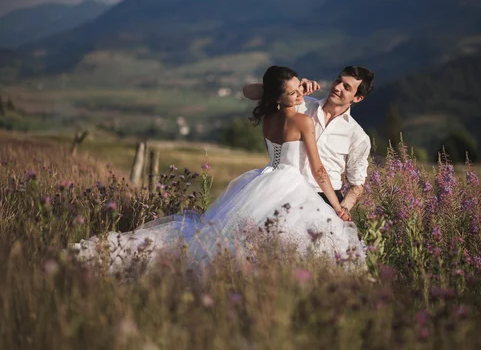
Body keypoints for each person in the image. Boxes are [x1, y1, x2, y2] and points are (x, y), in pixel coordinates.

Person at [71, 66, 365, 275]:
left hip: (263, 179)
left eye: (346, 86)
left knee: (231, 234)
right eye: (292, 91)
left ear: (356, 97)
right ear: (281, 95)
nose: (300, 94)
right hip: (291, 185)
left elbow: (353, 179)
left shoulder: (270, 117)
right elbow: (319, 170)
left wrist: (291, 89)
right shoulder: (303, 117)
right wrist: (337, 206)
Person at [243, 66, 375, 220]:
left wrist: (341, 210)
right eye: (338, 80)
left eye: (346, 87)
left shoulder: (358, 137)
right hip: (286, 194)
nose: (337, 87)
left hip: (326, 200)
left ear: (357, 98)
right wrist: (292, 87)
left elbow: (357, 186)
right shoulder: (301, 104)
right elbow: (248, 92)